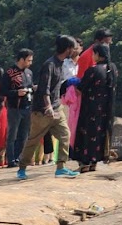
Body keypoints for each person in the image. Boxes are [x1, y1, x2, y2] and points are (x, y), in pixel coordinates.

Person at [20, 35, 80, 180]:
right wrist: (48, 107)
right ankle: (22, 168)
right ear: (67, 49)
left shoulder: (61, 64)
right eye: (73, 48)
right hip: (43, 111)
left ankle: (61, 168)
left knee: (65, 135)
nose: (75, 50)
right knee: (34, 140)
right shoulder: (50, 65)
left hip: (56, 107)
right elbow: (44, 89)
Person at [73, 43, 117, 173]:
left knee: (88, 133)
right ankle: (95, 162)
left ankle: (85, 162)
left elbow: (81, 88)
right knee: (101, 133)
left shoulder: (93, 70)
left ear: (97, 54)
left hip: (91, 108)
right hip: (107, 108)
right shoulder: (113, 69)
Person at [5, 49, 34, 168]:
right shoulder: (9, 73)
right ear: (21, 59)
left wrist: (33, 89)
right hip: (14, 108)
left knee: (24, 135)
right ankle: (10, 159)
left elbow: (30, 86)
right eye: (28, 60)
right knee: (12, 135)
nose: (30, 63)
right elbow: (3, 91)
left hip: (27, 106)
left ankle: (18, 158)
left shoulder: (29, 73)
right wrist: (16, 93)